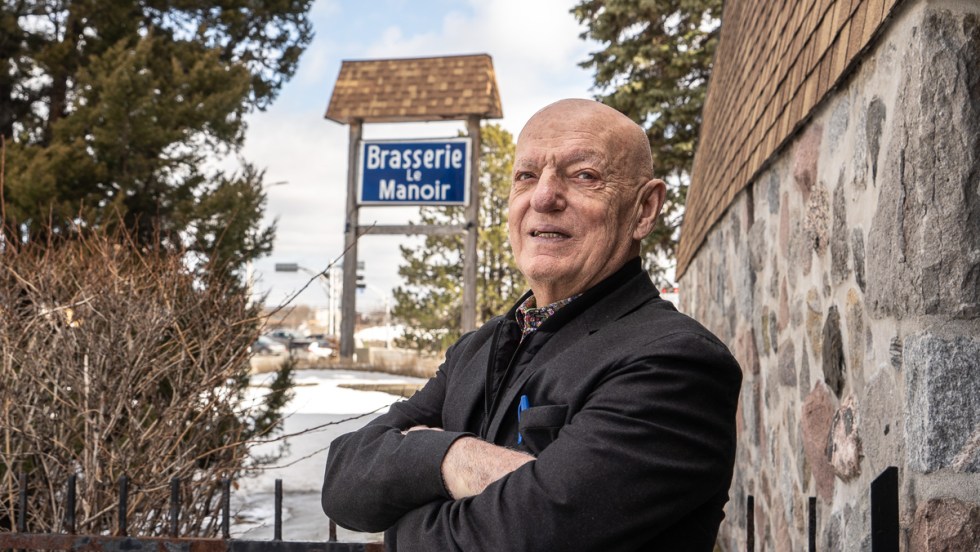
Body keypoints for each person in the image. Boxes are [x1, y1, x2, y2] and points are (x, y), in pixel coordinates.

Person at [321, 99, 742, 551]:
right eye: (526, 175)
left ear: (644, 210)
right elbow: (344, 481)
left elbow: (520, 540)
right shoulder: (477, 349)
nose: (543, 197)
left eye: (584, 175)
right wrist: (458, 458)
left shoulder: (676, 362)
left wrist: (407, 513)